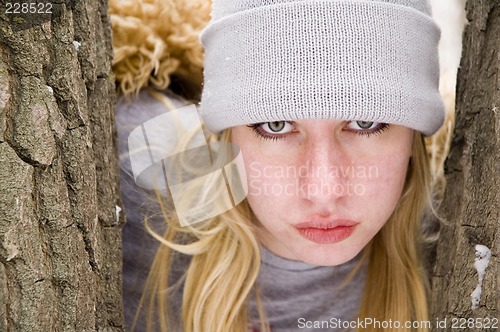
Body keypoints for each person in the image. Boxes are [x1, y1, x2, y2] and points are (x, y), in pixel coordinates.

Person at [117, 0, 445, 331]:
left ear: (414, 136)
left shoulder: (457, 235)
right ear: (227, 133)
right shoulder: (134, 182)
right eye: (276, 124)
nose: (324, 192)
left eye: (365, 122)